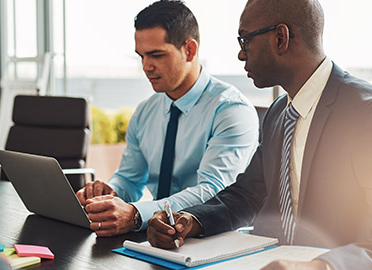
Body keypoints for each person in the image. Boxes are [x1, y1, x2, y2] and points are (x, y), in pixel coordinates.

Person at [146, 0, 372, 269]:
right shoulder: (278, 113)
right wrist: (192, 220)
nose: (240, 53)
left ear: (280, 38)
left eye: (245, 39)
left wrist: (321, 267)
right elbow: (248, 193)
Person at [75, 0, 259, 237]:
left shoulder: (231, 110)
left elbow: (213, 191)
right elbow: (130, 179)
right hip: (157, 236)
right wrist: (110, 193)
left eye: (156, 55)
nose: (146, 66)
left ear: (189, 51)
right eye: (141, 56)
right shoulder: (145, 112)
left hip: (215, 237)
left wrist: (135, 215)